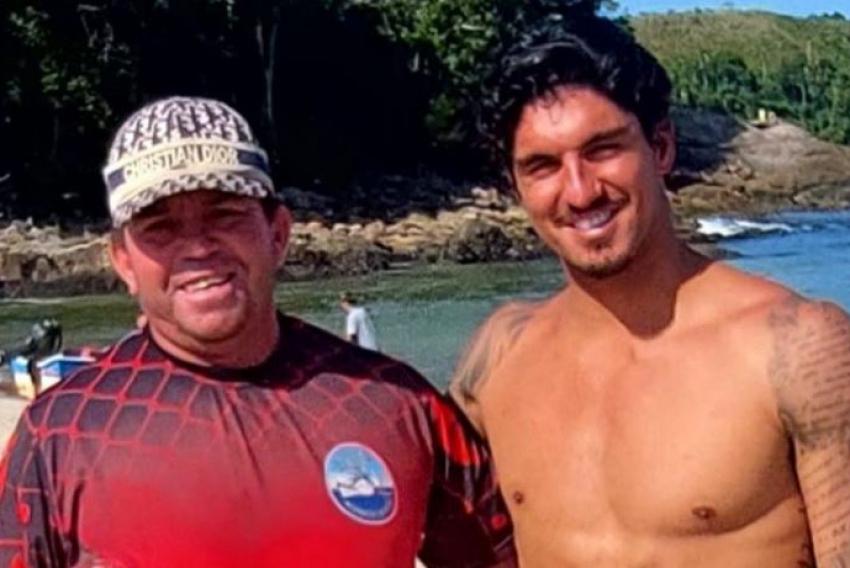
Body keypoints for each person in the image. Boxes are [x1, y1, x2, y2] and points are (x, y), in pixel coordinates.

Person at [0, 96, 516, 567]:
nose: (198, 247)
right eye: (160, 227)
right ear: (123, 262)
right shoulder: (62, 432)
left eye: (225, 215)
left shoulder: (399, 405)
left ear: (278, 233)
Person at [450, 15, 850, 567]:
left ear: (661, 147)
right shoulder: (498, 358)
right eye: (542, 166)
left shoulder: (798, 347)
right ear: (513, 185)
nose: (580, 192)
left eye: (602, 149)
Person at [0, 318, 63, 395]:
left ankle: (36, 390)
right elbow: (57, 344)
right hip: (35, 354)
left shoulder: (37, 339)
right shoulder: (39, 340)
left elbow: (56, 344)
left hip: (36, 354)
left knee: (24, 356)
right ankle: (36, 390)